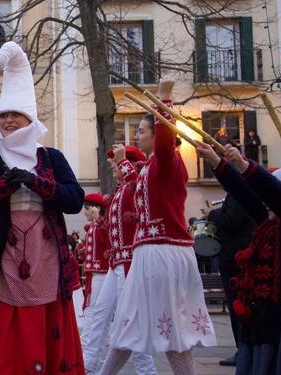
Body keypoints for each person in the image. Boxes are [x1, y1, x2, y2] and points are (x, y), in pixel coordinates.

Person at [0, 42, 85, 375]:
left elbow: (74, 198)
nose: (7, 121)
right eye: (2, 115)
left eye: (14, 115)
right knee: (2, 343)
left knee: (43, 333)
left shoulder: (50, 158)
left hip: (46, 260)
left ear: (30, 119)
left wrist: (39, 184)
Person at [99, 80, 216, 375]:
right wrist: (123, 163)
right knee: (127, 323)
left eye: (141, 131)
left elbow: (164, 143)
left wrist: (165, 99)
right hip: (150, 254)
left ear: (159, 132)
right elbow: (133, 183)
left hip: (164, 253)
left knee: (173, 330)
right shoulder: (152, 167)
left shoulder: (168, 160)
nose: (136, 136)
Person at [195, 143, 281, 373]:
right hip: (265, 320)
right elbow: (245, 195)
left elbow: (277, 195)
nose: (265, 205)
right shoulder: (269, 222)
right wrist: (216, 162)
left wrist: (243, 164)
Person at [81, 146, 156, 375]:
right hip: (117, 264)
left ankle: (147, 372)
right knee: (100, 315)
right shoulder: (121, 189)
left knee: (129, 322)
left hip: (129, 263)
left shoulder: (136, 184)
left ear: (129, 164)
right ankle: (88, 367)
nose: (113, 168)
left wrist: (125, 163)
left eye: (116, 164)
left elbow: (139, 193)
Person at [206, 194, 255, 367]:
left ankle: (243, 350)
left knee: (238, 307)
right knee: (237, 308)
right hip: (233, 257)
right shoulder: (236, 194)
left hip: (234, 258)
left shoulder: (237, 194)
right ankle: (243, 349)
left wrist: (212, 214)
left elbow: (231, 221)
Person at [80, 193, 110, 315]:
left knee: (96, 307)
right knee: (93, 305)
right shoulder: (93, 226)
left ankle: (92, 334)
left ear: (96, 208)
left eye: (87, 208)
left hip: (101, 272)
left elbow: (107, 242)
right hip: (93, 273)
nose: (85, 212)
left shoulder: (102, 225)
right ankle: (91, 333)